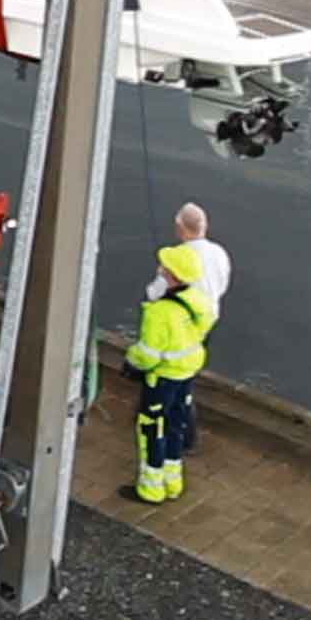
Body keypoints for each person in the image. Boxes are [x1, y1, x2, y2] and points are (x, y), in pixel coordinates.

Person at [123, 244, 216, 506]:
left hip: (161, 378)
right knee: (176, 426)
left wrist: (131, 361)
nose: (160, 269)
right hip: (186, 372)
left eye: (165, 268)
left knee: (152, 429)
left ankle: (151, 489)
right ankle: (173, 483)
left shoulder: (160, 312)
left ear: (172, 275)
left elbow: (148, 354)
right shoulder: (199, 301)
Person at [145, 202, 231, 453]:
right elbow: (222, 286)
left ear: (180, 228)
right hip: (205, 323)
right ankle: (185, 435)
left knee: (171, 382)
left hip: (178, 326)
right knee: (187, 379)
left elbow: (154, 293)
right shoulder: (219, 253)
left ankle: (178, 436)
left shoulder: (178, 259)